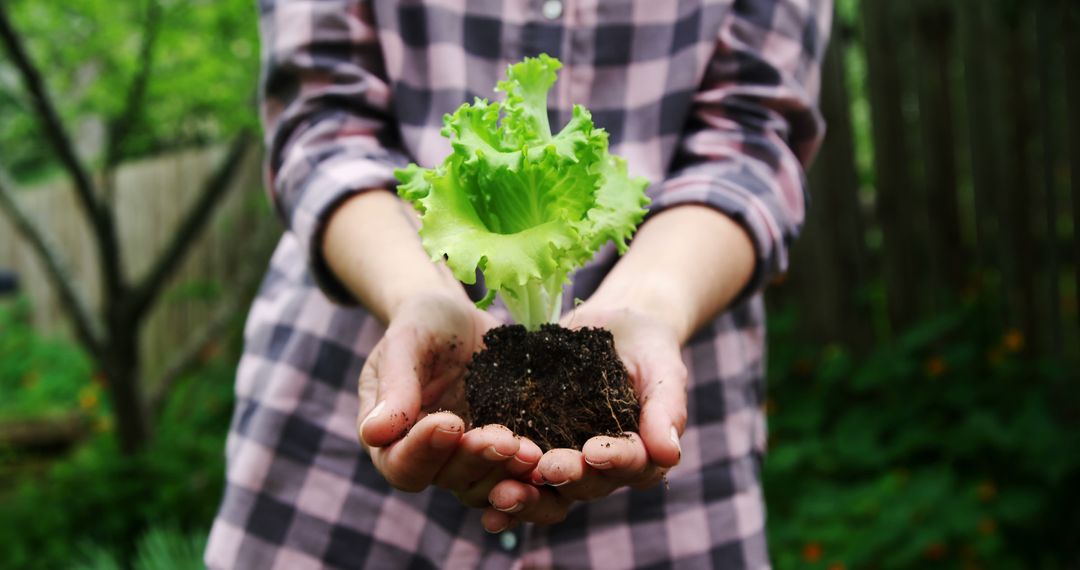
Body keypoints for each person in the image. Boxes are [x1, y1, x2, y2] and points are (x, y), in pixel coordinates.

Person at [206, 0, 830, 567]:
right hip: (338, 440)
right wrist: (416, 292)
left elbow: (752, 136)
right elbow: (322, 118)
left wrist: (652, 302)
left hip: (674, 481)